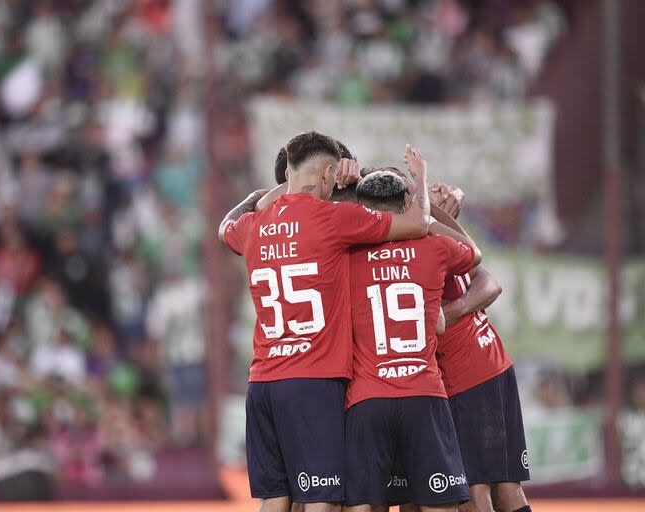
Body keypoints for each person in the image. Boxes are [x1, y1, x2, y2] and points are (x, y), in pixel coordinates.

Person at [218, 132, 431, 512]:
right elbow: (416, 223)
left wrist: (257, 197)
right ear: (330, 172)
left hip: (262, 382)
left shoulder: (255, 225)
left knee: (275, 499)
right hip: (312, 380)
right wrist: (417, 179)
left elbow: (225, 227)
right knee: (322, 500)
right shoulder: (333, 217)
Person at [343, 166, 482, 512]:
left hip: (367, 398)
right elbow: (473, 253)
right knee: (440, 505)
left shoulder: (345, 258)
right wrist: (426, 215)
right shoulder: (433, 248)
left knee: (364, 506)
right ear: (404, 206)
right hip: (424, 396)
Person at [432, 186, 531, 512]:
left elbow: (491, 281)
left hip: (466, 374)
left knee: (476, 491)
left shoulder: (415, 242)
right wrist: (439, 213)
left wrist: (450, 313)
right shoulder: (439, 236)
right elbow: (486, 277)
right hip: (492, 361)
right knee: (506, 487)